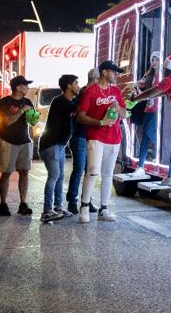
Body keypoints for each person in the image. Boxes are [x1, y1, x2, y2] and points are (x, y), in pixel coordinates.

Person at [75, 60, 126, 222]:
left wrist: (118, 108)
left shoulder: (116, 91)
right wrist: (99, 122)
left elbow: (124, 114)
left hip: (114, 137)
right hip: (96, 136)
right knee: (92, 170)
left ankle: (104, 209)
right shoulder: (91, 92)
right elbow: (80, 116)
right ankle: (84, 207)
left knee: (108, 173)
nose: (117, 74)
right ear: (104, 72)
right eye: (114, 71)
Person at [127, 55, 171, 183]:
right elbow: (161, 93)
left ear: (168, 68)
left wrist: (135, 98)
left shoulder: (170, 79)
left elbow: (153, 92)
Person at [39, 74, 79, 223]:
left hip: (60, 145)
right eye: (76, 83)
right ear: (69, 85)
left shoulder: (69, 102)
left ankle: (58, 207)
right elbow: (80, 107)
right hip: (50, 144)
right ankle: (47, 211)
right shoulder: (60, 101)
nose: (77, 86)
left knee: (60, 176)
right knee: (54, 176)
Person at [0, 75, 36, 217]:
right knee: (6, 172)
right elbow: (6, 121)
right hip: (8, 141)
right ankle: (3, 204)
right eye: (26, 85)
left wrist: (33, 117)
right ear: (18, 87)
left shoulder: (28, 102)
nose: (28, 87)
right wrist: (21, 111)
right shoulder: (5, 102)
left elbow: (32, 122)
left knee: (24, 172)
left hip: (24, 140)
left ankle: (23, 203)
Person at [66, 67, 97, 215]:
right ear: (96, 79)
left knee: (87, 171)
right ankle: (74, 201)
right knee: (81, 170)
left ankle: (85, 201)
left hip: (85, 136)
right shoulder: (86, 92)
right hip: (80, 136)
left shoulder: (85, 91)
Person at [132, 51, 161, 170]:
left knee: (149, 131)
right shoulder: (149, 75)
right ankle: (140, 165)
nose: (154, 62)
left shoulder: (162, 75)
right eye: (152, 60)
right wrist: (138, 92)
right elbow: (137, 84)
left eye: (157, 59)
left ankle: (160, 151)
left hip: (158, 109)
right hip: (149, 108)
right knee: (145, 135)